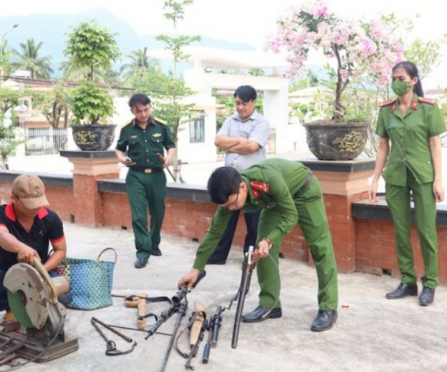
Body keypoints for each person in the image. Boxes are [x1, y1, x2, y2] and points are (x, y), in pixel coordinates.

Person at [178, 158, 339, 332]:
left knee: (320, 247)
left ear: (241, 187)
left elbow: (290, 216)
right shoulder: (228, 198)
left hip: (304, 191)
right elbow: (214, 232)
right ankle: (270, 304)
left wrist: (270, 240)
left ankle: (328, 308)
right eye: (227, 205)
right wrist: (197, 268)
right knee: (260, 249)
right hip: (275, 201)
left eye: (233, 203)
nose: (231, 208)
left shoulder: (267, 180)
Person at [369, 61, 446, 306]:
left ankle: (430, 283)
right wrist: (374, 179)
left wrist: (438, 180)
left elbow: (435, 144)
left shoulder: (427, 108)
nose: (396, 82)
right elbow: (383, 147)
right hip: (396, 178)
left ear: (414, 80)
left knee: (426, 231)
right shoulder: (386, 110)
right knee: (401, 231)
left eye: (401, 77)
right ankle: (408, 281)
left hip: (422, 177)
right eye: (393, 78)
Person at [0, 174, 70, 317]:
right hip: (9, 273)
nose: (35, 208)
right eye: (30, 204)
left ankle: (32, 307)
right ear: (14, 198)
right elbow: (0, 235)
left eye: (38, 202)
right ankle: (16, 308)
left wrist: (41, 272)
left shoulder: (50, 218)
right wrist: (21, 248)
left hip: (43, 272)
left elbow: (60, 250)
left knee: (64, 297)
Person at [207, 85, 271, 265]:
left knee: (254, 222)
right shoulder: (230, 120)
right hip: (230, 179)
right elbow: (218, 141)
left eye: (244, 103)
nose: (240, 107)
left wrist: (230, 145)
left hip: (253, 182)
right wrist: (241, 141)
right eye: (237, 103)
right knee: (226, 218)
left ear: (253, 102)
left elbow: (252, 147)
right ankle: (218, 255)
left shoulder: (261, 123)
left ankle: (249, 256)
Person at [116, 93, 176, 269]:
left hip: (157, 175)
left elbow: (170, 146)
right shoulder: (127, 129)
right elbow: (119, 149)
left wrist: (168, 159)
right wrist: (122, 159)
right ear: (132, 111)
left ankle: (153, 243)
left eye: (146, 109)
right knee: (139, 215)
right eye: (138, 111)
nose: (143, 114)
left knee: (158, 211)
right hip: (136, 175)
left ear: (150, 107)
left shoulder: (162, 126)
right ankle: (143, 252)